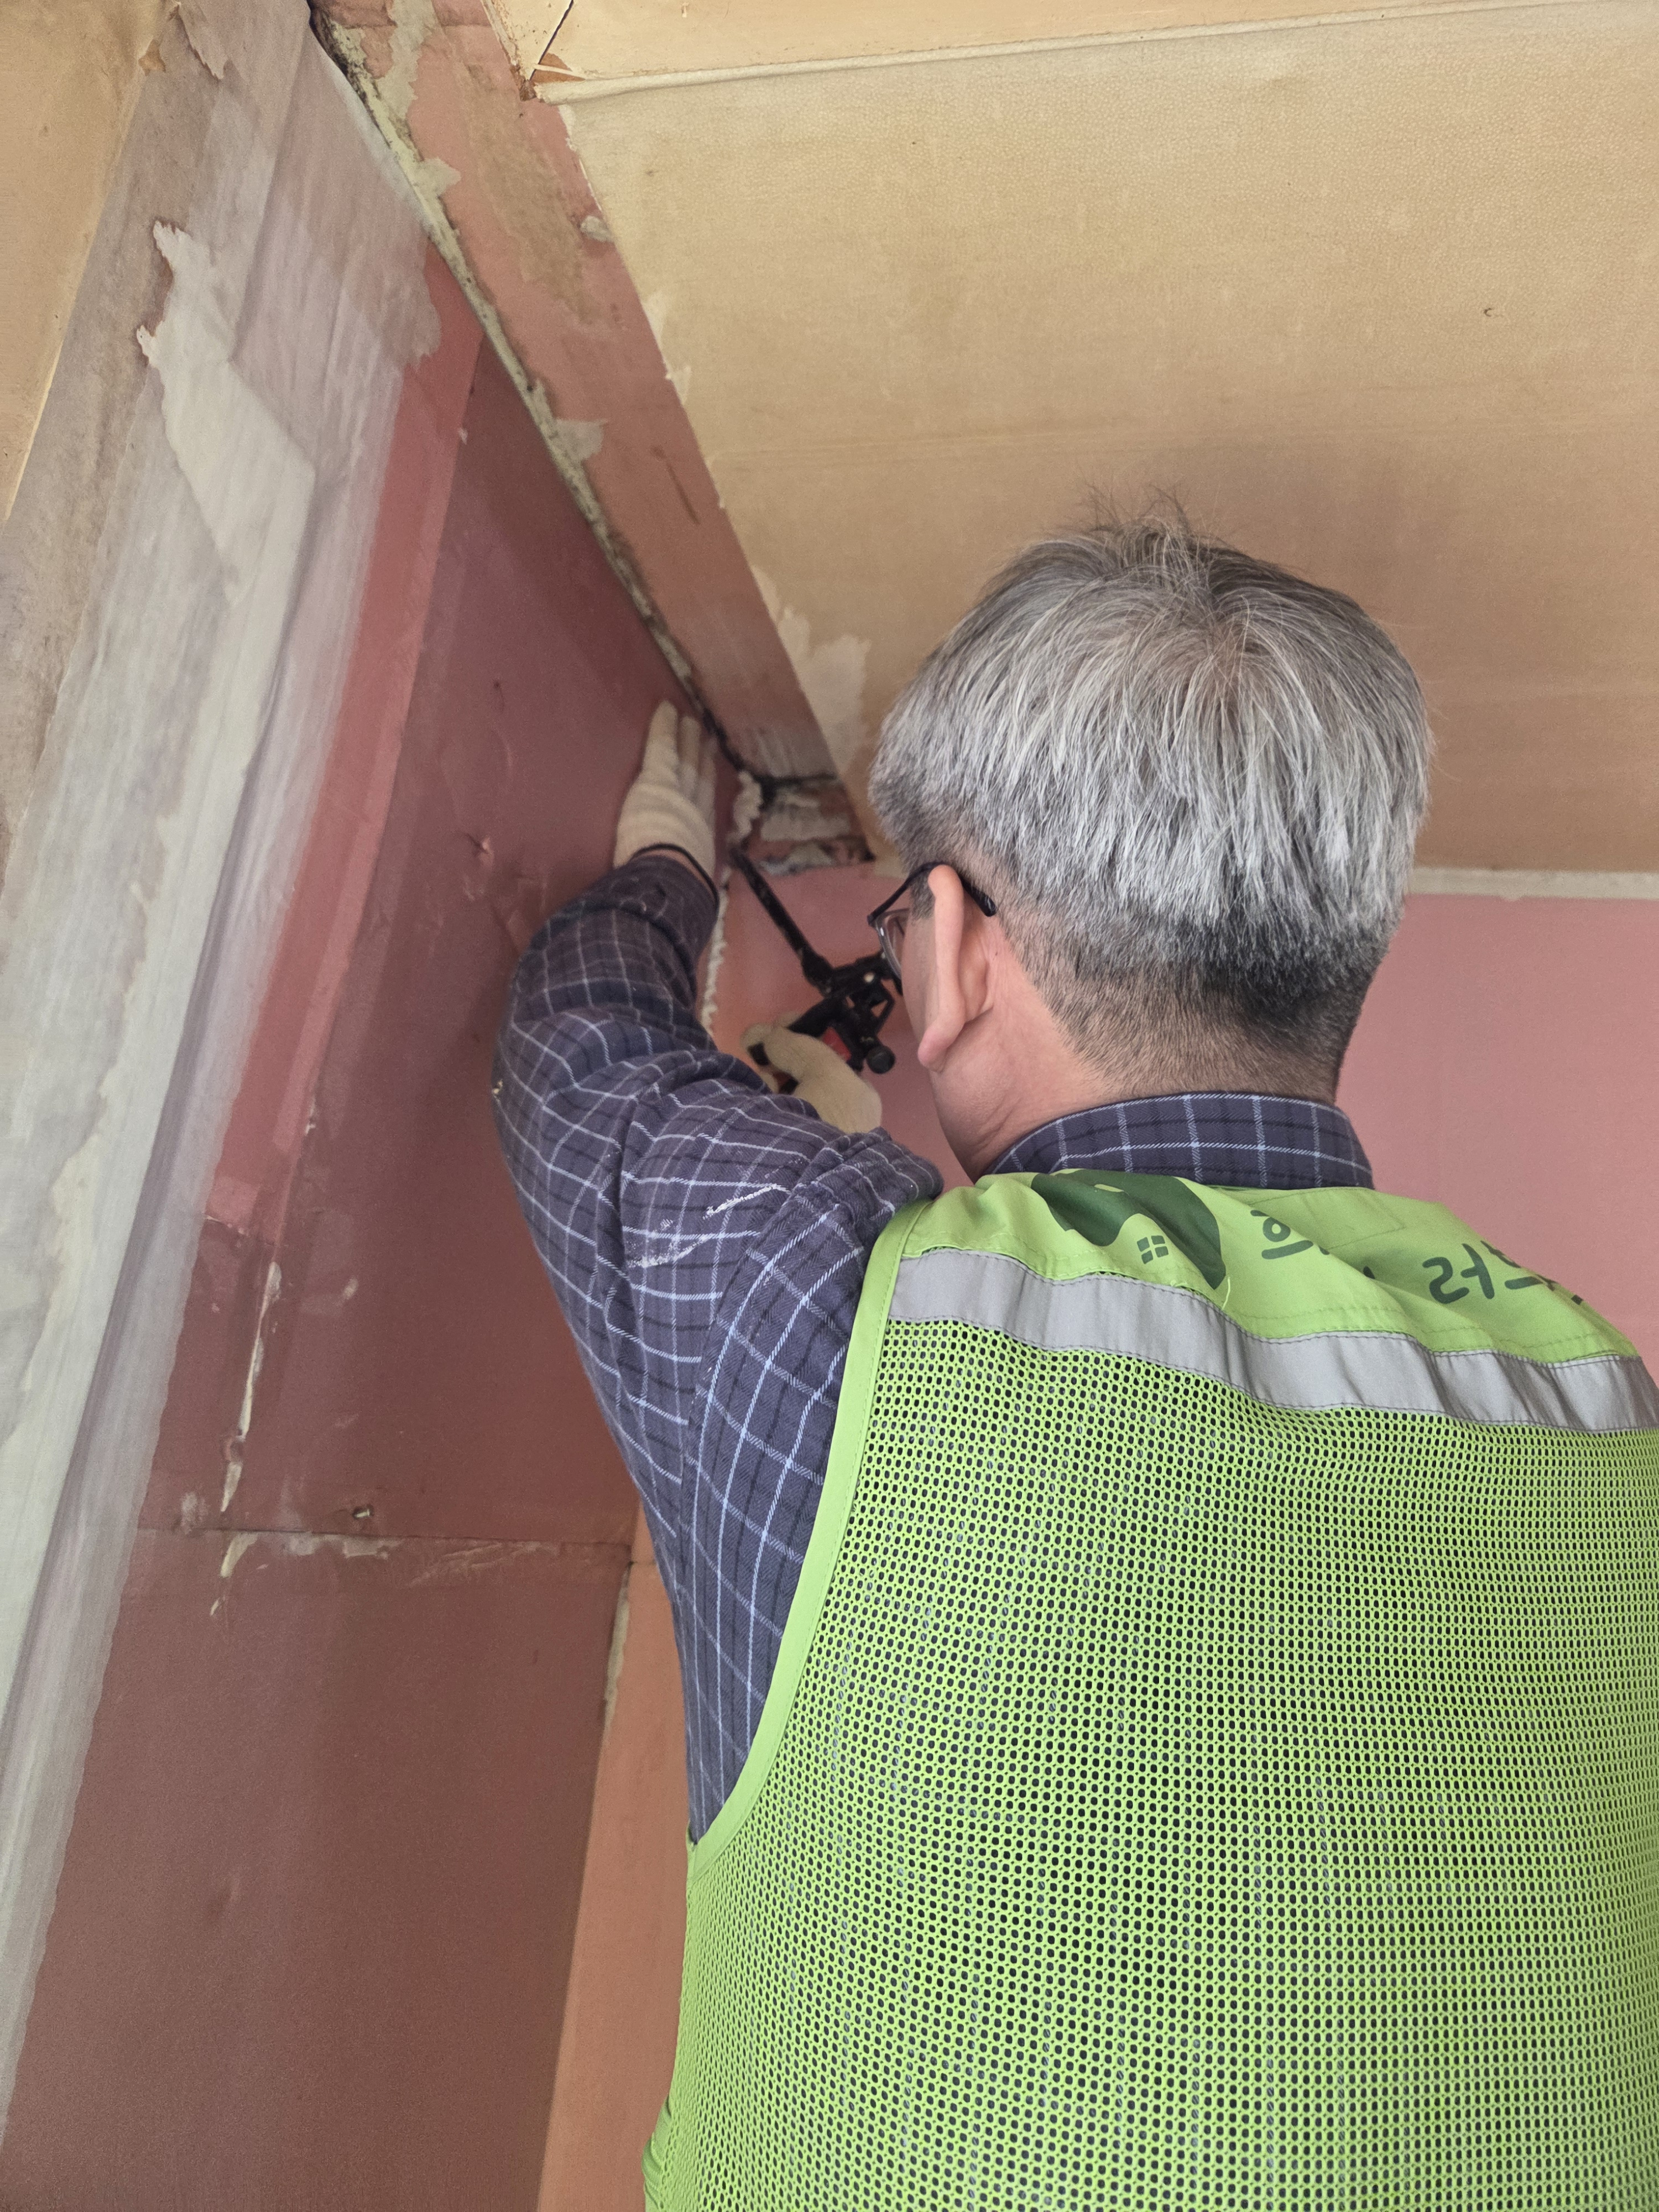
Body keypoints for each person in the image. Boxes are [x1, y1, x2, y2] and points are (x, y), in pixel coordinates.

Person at [494, 517, 1659, 2206]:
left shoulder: (826, 1297)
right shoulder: (1599, 1400)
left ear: (955, 949)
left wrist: (673, 859)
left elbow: (580, 1046)